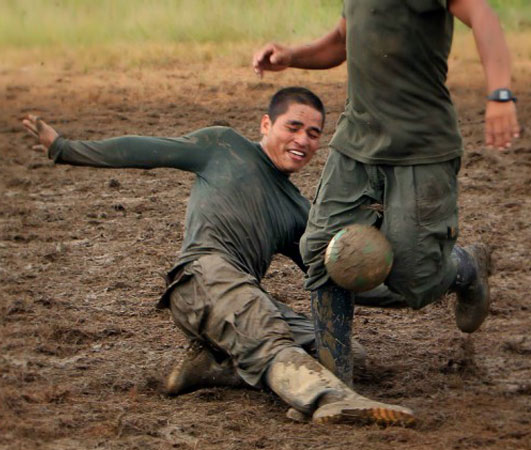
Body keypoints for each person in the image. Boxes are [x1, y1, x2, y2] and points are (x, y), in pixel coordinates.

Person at [21, 87, 415, 426]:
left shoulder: (301, 213)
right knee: (269, 337)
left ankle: (215, 366)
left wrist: (416, 289)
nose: (303, 140)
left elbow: (337, 276)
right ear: (266, 124)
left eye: (314, 134)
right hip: (201, 277)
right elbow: (147, 149)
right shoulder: (223, 146)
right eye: (293, 127)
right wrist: (64, 148)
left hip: (245, 296)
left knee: (347, 354)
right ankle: (328, 400)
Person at [253, 0, 520, 385]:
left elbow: (484, 17)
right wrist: (292, 56)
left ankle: (466, 267)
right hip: (356, 143)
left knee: (416, 279)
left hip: (421, 148)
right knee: (323, 254)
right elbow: (342, 40)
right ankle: (335, 384)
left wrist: (500, 94)